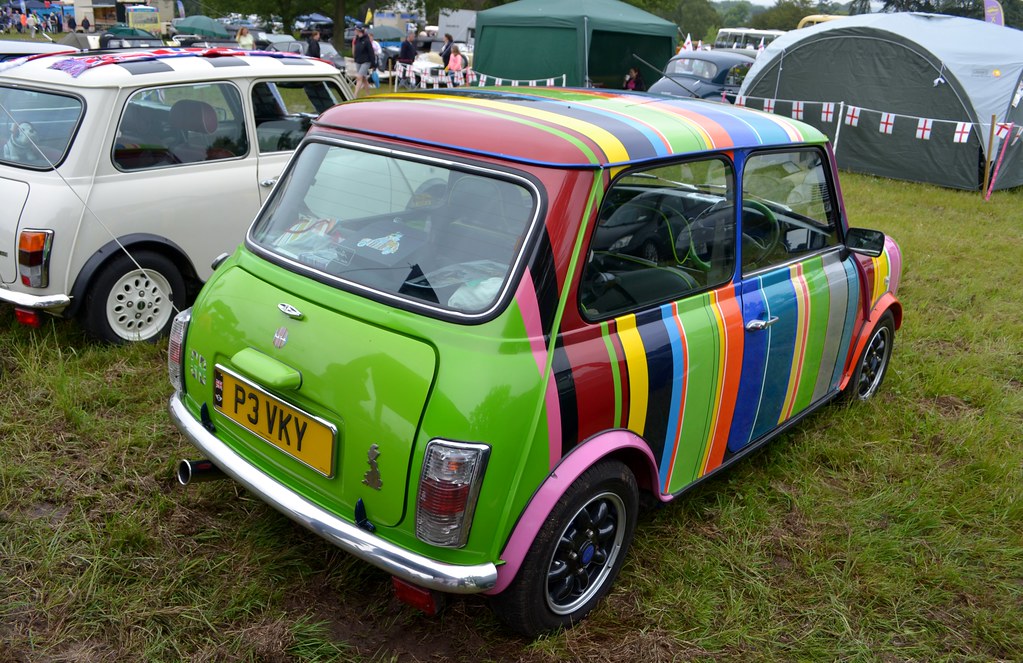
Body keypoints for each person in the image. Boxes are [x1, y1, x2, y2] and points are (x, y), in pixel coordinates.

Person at [351, 25, 374, 97]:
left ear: (359, 31)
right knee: (363, 78)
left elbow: (371, 52)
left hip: (366, 61)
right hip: (358, 60)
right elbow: (355, 49)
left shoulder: (366, 40)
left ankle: (354, 95)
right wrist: (355, 57)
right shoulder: (357, 39)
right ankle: (368, 94)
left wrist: (373, 63)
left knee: (359, 77)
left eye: (355, 30)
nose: (354, 31)